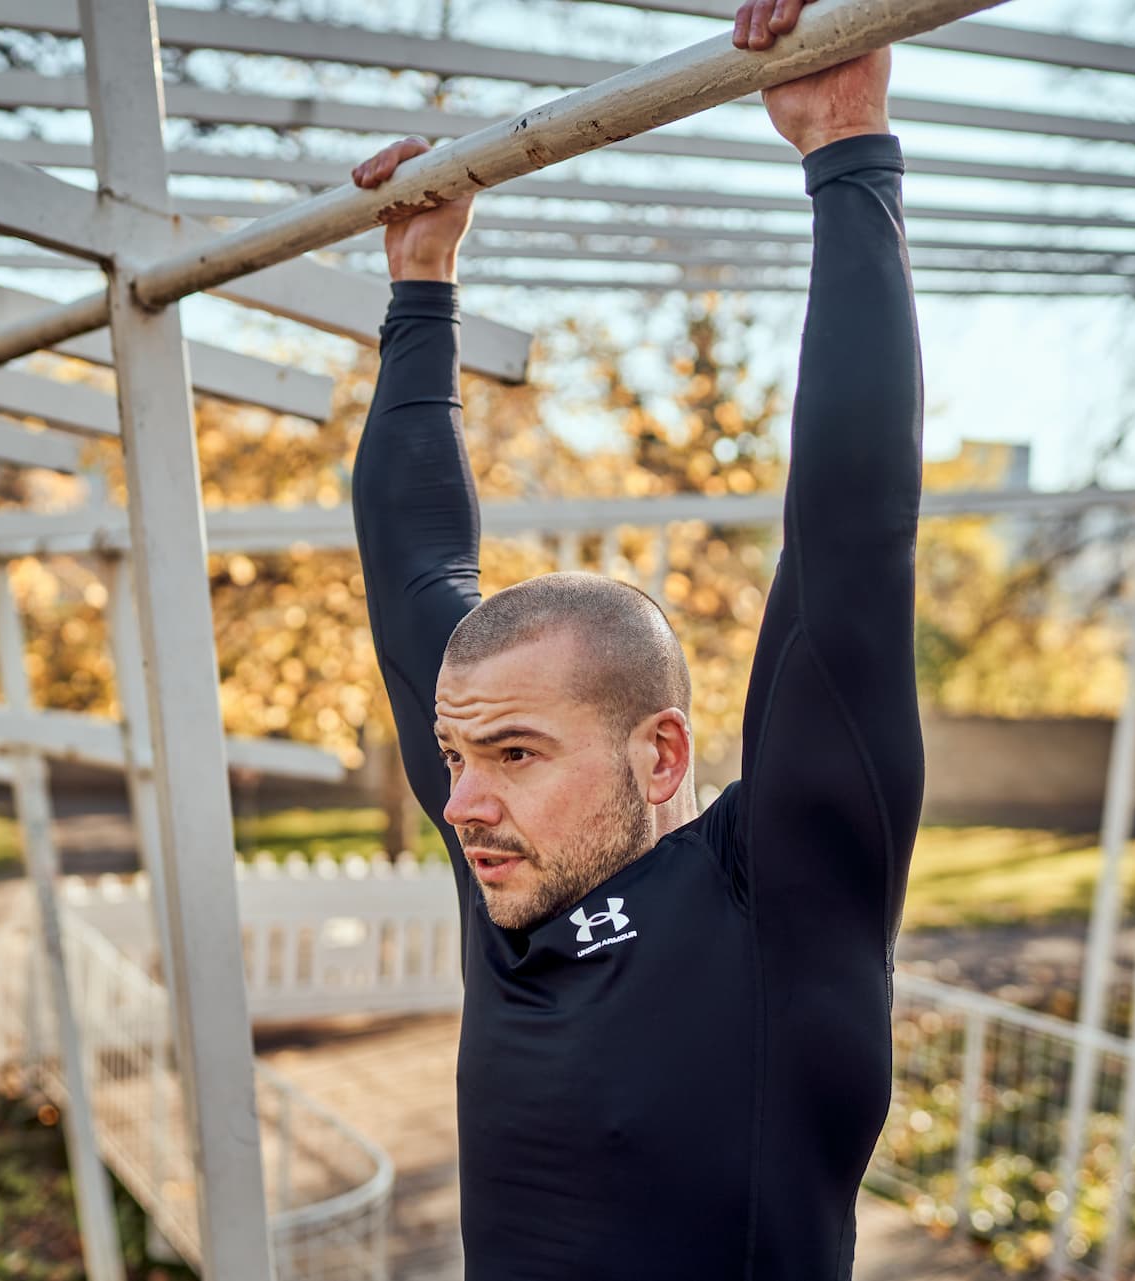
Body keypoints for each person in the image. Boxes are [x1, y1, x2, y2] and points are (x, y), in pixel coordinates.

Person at [349, 1, 924, 1274]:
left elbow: (850, 546)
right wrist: (420, 292)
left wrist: (846, 146)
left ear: (659, 758)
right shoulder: (511, 882)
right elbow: (413, 573)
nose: (462, 802)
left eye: (511, 754)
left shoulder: (777, 904)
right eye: (458, 756)